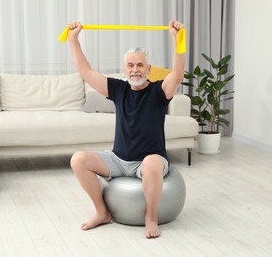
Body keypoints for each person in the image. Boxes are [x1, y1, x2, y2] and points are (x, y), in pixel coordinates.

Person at [67, 20, 185, 238]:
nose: (135, 70)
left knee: (150, 163)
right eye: (130, 65)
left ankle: (151, 217)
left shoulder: (159, 91)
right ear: (125, 69)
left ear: (148, 69)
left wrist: (177, 40)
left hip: (151, 159)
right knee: (78, 160)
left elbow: (177, 74)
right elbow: (85, 71)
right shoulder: (119, 89)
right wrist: (73, 40)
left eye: (140, 65)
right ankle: (102, 212)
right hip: (119, 160)